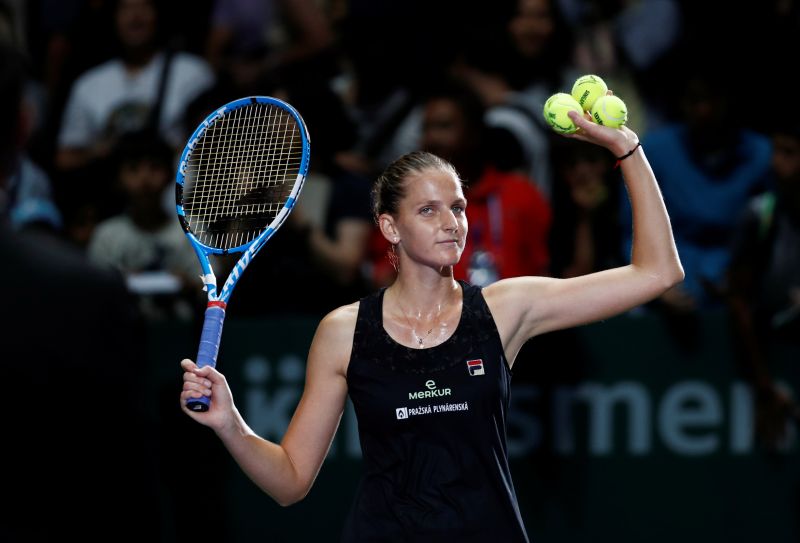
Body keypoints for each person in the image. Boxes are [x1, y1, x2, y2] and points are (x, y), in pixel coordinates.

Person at [180, 98, 683, 541]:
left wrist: (627, 149)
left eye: (459, 207)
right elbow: (290, 482)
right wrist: (231, 424)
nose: (452, 222)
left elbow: (657, 272)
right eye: (428, 210)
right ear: (389, 227)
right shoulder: (344, 330)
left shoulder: (506, 308)